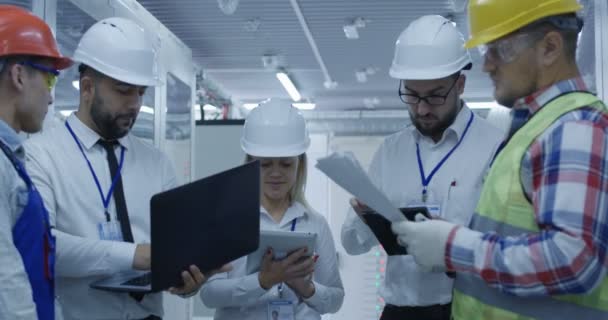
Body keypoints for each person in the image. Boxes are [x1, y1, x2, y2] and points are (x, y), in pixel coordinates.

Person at [392, 1, 608, 319]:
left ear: (549, 47)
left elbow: (575, 261)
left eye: (500, 50)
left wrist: (455, 246)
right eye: (486, 51)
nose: (487, 66)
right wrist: (451, 241)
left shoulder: (574, 126)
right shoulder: (537, 128)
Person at [24, 17, 227, 320]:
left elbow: (176, 248)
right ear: (88, 87)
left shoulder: (156, 163)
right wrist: (138, 255)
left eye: (141, 92)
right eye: (123, 90)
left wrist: (188, 281)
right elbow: (45, 247)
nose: (134, 104)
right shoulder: (41, 155)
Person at [340, 15, 503, 320]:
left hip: (465, 310)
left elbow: (504, 247)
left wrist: (450, 239)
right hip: (397, 311)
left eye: (435, 95)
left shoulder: (495, 146)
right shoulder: (391, 151)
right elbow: (351, 244)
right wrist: (365, 217)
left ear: (461, 84)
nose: (422, 108)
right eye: (412, 95)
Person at [200, 99, 344, 319]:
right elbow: (209, 295)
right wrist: (262, 281)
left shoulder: (315, 223)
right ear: (250, 163)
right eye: (265, 164)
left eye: (286, 164)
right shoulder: (227, 219)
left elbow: (335, 299)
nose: (276, 173)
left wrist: (307, 288)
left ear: (300, 165)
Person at [0, 5, 72, 320]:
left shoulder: (10, 157)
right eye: (50, 79)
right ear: (18, 75)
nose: (52, 97)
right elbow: (6, 284)